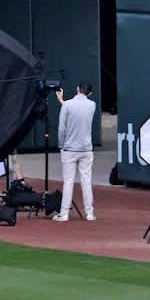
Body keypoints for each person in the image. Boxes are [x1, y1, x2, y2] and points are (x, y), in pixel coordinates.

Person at [53, 81, 97, 222]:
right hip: (86, 149)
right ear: (89, 93)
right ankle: (89, 213)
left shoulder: (68, 105)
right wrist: (62, 102)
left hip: (69, 148)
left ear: (77, 89)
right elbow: (78, 113)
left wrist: (61, 144)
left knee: (68, 181)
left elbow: (62, 127)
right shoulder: (92, 105)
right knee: (86, 180)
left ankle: (64, 213)